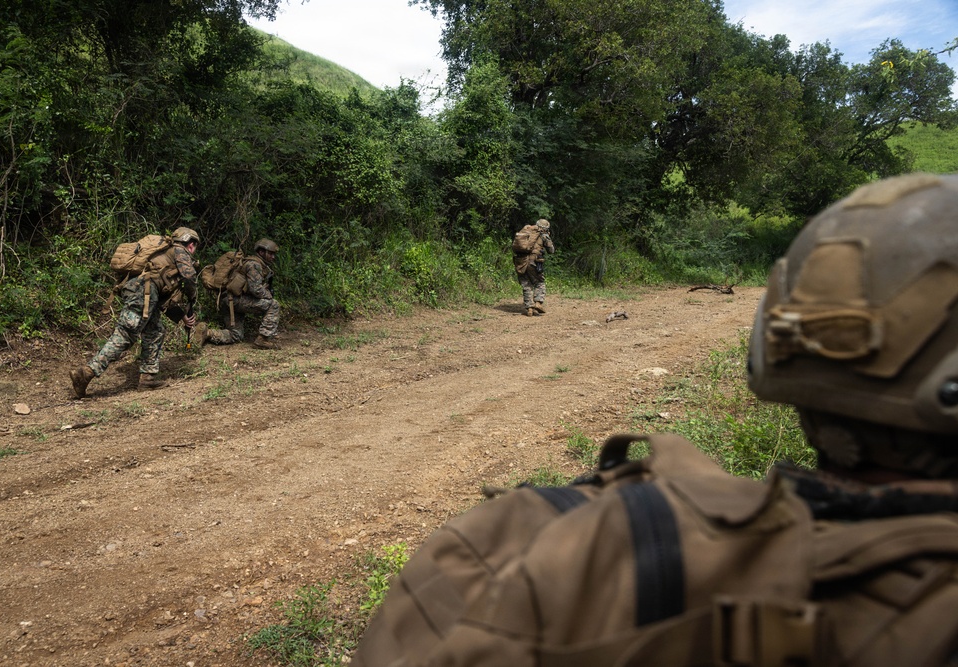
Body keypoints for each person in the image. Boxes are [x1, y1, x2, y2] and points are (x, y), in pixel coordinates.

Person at [352, 173, 958, 666]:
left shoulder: (533, 542)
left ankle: (533, 306)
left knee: (533, 286)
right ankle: (534, 307)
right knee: (536, 286)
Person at [69, 227, 200, 398]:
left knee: (155, 331)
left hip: (142, 291)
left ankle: (148, 378)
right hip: (142, 291)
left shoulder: (164, 258)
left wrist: (182, 316)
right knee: (126, 334)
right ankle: (86, 373)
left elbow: (163, 299)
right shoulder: (179, 251)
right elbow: (189, 277)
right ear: (191, 244)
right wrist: (193, 295)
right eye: (195, 246)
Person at [195, 238, 281, 350]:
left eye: (273, 254)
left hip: (227, 300)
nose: (273, 257)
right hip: (235, 301)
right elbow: (256, 290)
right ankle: (263, 339)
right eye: (270, 253)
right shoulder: (254, 265)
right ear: (261, 252)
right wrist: (268, 295)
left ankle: (207, 333)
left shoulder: (248, 262)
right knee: (273, 304)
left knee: (236, 335)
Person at [512, 218, 555, 316]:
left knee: (526, 284)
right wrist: (547, 237)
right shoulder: (543, 235)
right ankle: (538, 303)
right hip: (534, 262)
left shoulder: (526, 232)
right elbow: (551, 250)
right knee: (540, 282)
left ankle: (530, 308)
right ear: (546, 228)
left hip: (520, 261)